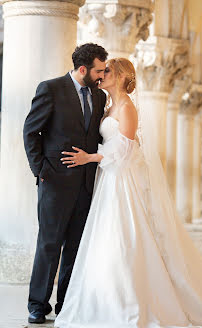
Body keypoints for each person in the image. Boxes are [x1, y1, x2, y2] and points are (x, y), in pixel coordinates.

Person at [55, 57, 202, 328]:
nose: (102, 74)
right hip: (109, 178)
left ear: (120, 77)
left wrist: (91, 158)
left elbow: (126, 150)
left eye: (107, 71)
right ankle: (104, 296)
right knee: (106, 236)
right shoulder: (109, 106)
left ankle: (131, 301)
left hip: (122, 180)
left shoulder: (127, 107)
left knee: (124, 236)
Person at [23, 43, 108, 324]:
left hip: (85, 184)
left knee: (75, 246)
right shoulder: (51, 89)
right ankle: (37, 305)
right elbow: (31, 131)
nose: (102, 75)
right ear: (82, 69)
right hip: (55, 182)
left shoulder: (99, 97)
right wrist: (41, 170)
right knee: (49, 244)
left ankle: (66, 304)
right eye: (98, 70)